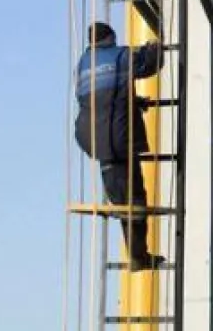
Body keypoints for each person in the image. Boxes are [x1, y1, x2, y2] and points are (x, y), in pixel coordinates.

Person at [74, 21, 166, 270]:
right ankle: (138, 256)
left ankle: (137, 255)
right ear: (111, 38)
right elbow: (149, 63)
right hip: (119, 140)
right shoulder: (121, 56)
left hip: (96, 143)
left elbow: (102, 100)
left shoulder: (83, 64)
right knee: (135, 200)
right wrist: (158, 45)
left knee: (121, 201)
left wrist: (132, 102)